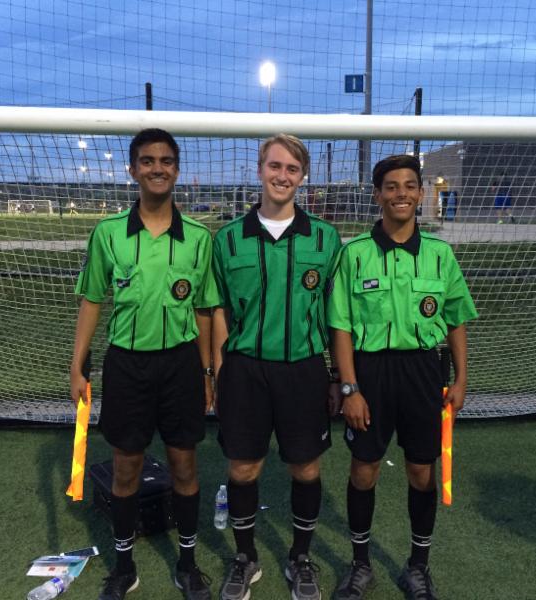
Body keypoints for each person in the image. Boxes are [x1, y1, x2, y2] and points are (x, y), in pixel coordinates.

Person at [71, 128, 218, 600]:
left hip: (181, 366)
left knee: (184, 466)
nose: (158, 168)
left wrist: (208, 372)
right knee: (125, 468)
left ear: (177, 169)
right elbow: (92, 300)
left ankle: (188, 564)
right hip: (127, 367)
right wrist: (77, 367)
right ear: (132, 169)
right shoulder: (109, 233)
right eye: (148, 161)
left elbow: (205, 310)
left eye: (166, 161)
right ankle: (124, 567)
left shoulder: (199, 238)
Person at [327, 155, 477, 600]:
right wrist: (350, 387)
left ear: (421, 193)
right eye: (391, 186)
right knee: (364, 469)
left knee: (421, 471)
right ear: (377, 195)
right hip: (370, 372)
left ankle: (418, 567)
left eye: (410, 186)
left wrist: (462, 379)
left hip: (423, 372)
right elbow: (340, 327)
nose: (401, 194)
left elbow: (456, 319)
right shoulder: (354, 254)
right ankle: (360, 564)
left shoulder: (439, 255)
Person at [211, 134, 342, 600]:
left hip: (303, 370)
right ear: (259, 169)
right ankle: (245, 558)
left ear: (302, 177)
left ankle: (300, 558)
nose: (282, 175)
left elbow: (336, 316)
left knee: (305, 468)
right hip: (245, 371)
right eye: (274, 166)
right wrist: (219, 373)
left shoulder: (326, 239)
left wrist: (337, 378)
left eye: (291, 168)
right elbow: (218, 311)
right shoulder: (228, 239)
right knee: (244, 468)